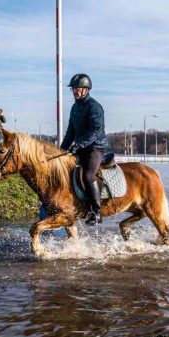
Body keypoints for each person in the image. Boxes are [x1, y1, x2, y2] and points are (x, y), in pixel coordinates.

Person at [60, 73, 108, 225]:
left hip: (95, 147)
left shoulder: (94, 107)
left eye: (78, 89)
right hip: (81, 147)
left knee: (88, 175)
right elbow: (70, 132)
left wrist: (78, 144)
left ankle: (96, 211)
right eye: (73, 89)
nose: (75, 91)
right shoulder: (75, 108)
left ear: (86, 90)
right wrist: (61, 150)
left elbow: (95, 131)